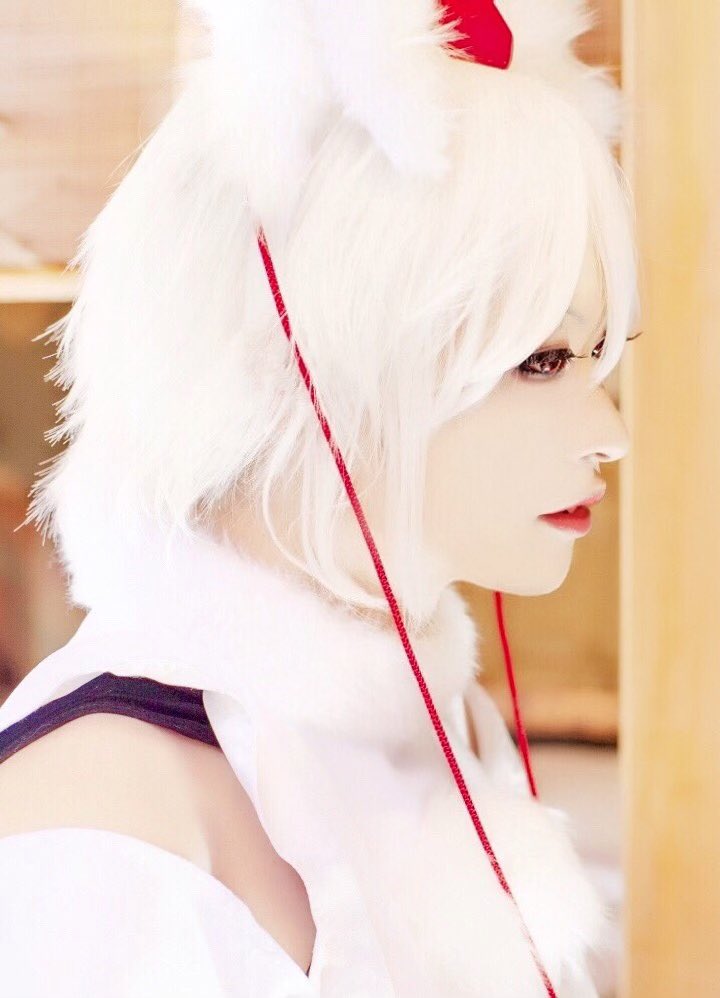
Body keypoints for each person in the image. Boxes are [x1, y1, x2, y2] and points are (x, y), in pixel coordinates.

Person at [0, 0, 640, 994]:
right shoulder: (103, 822)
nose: (612, 433)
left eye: (599, 356)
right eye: (544, 359)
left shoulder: (433, 720)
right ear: (316, 368)